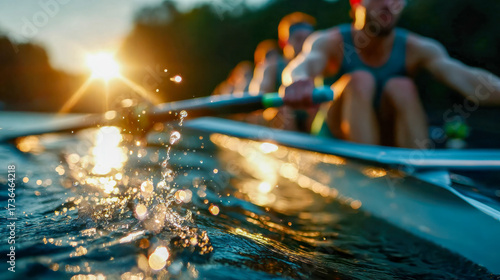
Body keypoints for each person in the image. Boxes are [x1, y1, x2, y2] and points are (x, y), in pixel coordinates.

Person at [282, 0, 500, 148]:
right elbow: (302, 66)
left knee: (401, 86)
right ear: (356, 2)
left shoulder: (419, 48)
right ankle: (367, 174)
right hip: (333, 135)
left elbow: (469, 80)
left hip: (390, 137)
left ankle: (418, 172)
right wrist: (298, 82)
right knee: (360, 79)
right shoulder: (329, 41)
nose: (387, 4)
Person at [249, 12, 316, 131]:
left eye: (308, 40)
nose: (304, 45)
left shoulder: (318, 66)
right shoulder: (271, 68)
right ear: (284, 42)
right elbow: (256, 101)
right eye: (299, 39)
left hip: (311, 122)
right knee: (285, 108)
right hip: (278, 125)